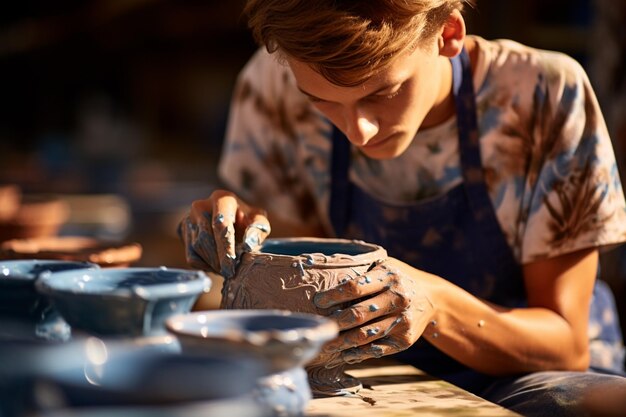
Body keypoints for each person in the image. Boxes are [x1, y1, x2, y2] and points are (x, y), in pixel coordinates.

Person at [179, 1, 626, 415]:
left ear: (447, 34)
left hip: (525, 374)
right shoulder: (273, 86)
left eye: (382, 93)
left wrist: (434, 305)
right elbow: (299, 295)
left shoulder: (542, 93)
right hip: (363, 368)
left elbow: (567, 344)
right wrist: (248, 243)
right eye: (324, 101)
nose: (360, 132)